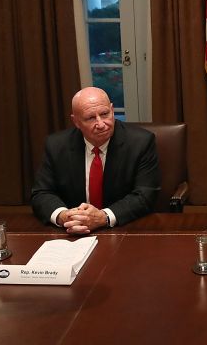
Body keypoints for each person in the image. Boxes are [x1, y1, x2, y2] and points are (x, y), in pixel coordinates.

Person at [31, 87, 160, 234]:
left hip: (122, 229)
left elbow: (145, 195)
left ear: (112, 110)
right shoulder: (56, 145)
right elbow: (41, 193)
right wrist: (64, 216)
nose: (101, 124)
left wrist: (103, 217)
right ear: (76, 121)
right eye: (91, 118)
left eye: (105, 114)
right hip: (74, 232)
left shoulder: (141, 142)